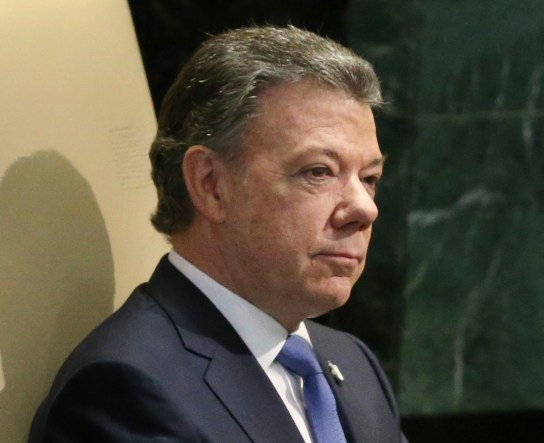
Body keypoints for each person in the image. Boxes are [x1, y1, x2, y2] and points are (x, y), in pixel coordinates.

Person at [28, 25, 407, 443]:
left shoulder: (352, 363)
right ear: (211, 185)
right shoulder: (126, 388)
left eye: (370, 177)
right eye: (319, 171)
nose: (365, 208)